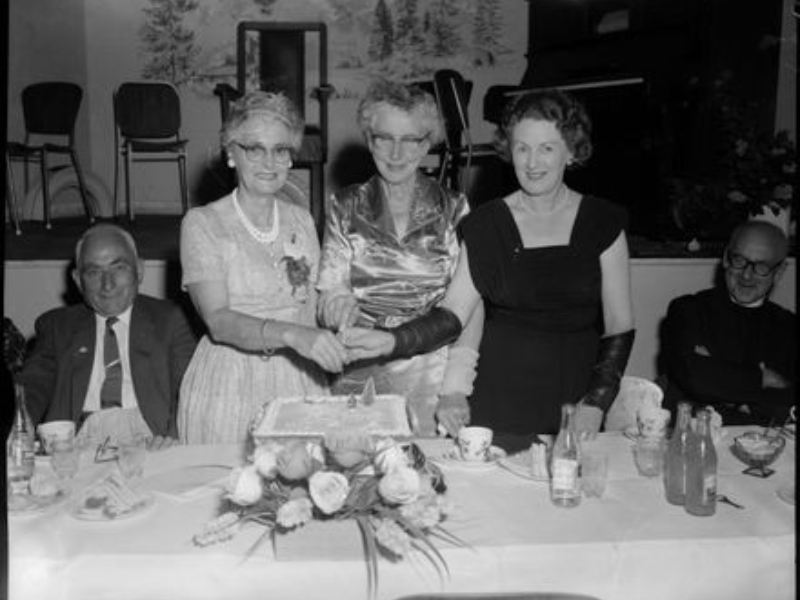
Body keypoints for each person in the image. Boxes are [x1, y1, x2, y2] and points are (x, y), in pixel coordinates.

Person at [343, 89, 635, 448]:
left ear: (571, 151)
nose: (532, 162)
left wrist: (596, 401)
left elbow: (619, 325)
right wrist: (393, 340)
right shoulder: (485, 224)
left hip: (576, 395)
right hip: (499, 396)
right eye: (522, 147)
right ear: (509, 151)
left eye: (547, 148)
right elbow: (453, 313)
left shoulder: (603, 222)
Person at [178, 91, 349, 444]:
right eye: (254, 148)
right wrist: (293, 335)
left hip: (298, 379)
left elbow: (311, 307)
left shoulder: (301, 220)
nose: (269, 162)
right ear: (230, 153)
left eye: (281, 150)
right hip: (230, 384)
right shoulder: (203, 223)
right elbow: (219, 322)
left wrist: (339, 308)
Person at [316, 80, 479, 435]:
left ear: (427, 144)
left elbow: (468, 309)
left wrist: (455, 388)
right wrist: (336, 306)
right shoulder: (343, 205)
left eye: (411, 140)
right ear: (369, 140)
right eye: (384, 138)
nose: (396, 153)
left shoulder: (454, 208)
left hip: (433, 374)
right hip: (361, 365)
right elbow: (329, 294)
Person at [17, 223, 197, 448]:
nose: (107, 284)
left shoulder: (171, 320)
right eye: (94, 272)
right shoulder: (57, 326)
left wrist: (172, 438)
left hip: (150, 440)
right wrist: (17, 427)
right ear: (77, 280)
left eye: (118, 267)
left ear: (139, 270)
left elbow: (189, 390)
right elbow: (31, 388)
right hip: (77, 444)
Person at [662, 220, 795, 425]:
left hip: (761, 445)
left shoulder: (789, 326)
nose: (747, 275)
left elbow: (789, 403)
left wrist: (723, 378)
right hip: (692, 439)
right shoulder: (688, 310)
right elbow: (696, 378)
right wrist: (763, 379)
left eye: (761, 266)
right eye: (739, 260)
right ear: (725, 258)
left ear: (779, 272)